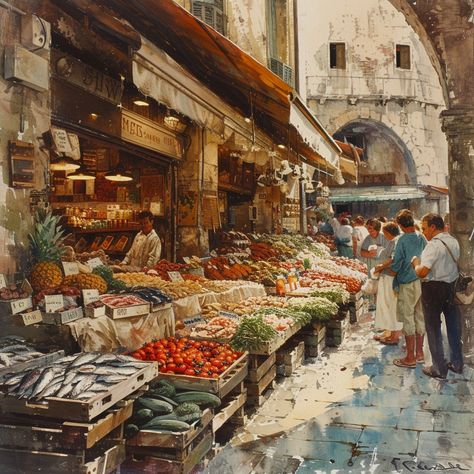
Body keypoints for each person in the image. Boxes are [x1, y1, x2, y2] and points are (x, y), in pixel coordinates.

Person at [412, 213, 463, 379]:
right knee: (454, 325)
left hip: (433, 289)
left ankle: (439, 368)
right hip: (451, 287)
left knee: (433, 329)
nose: (424, 232)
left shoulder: (433, 245)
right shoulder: (453, 241)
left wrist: (415, 263)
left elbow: (423, 272)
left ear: (433, 227)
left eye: (425, 229)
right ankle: (457, 363)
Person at [390, 209, 426, 368]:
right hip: (421, 280)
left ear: (400, 225)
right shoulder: (421, 236)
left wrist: (390, 269)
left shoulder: (402, 240)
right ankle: (420, 353)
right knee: (420, 316)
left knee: (408, 318)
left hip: (407, 282)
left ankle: (410, 357)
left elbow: (396, 263)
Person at [373, 222, 403, 344]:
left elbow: (393, 259)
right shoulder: (395, 240)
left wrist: (380, 267)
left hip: (390, 277)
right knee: (387, 305)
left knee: (390, 305)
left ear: (388, 232)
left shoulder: (395, 241)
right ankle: (389, 332)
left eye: (384, 233)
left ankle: (394, 335)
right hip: (388, 276)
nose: (384, 235)